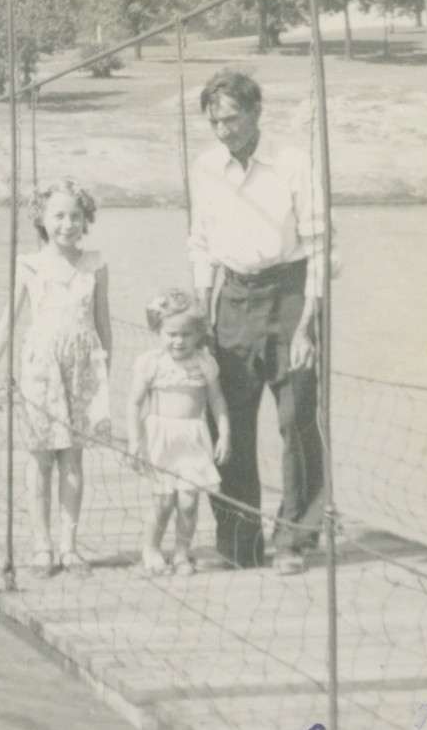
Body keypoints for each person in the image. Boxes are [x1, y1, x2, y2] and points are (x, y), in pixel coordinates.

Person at [187, 68, 335, 574]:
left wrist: (308, 324)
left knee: (298, 418)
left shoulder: (292, 163)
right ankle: (239, 543)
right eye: (214, 122)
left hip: (290, 295)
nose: (223, 130)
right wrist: (202, 310)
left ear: (255, 112)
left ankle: (294, 538)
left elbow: (320, 245)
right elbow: (200, 242)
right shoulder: (205, 167)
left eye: (231, 118)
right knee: (227, 418)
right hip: (232, 299)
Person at [0, 178, 113, 576]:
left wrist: (105, 377)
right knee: (40, 459)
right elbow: (9, 320)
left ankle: (68, 547)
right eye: (58, 216)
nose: (67, 224)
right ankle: (41, 545)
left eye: (76, 216)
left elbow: (104, 326)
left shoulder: (96, 265)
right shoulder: (29, 265)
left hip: (81, 372)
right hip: (40, 371)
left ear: (86, 219)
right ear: (41, 218)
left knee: (72, 459)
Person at [128, 288, 229, 576]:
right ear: (158, 331)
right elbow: (134, 402)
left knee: (188, 501)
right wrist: (135, 440)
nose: (179, 341)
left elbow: (217, 401)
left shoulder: (204, 363)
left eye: (186, 334)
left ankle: (182, 552)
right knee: (162, 501)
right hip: (161, 439)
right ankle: (151, 549)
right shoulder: (152, 363)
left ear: (198, 334)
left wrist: (225, 434)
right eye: (171, 334)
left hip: (192, 439)